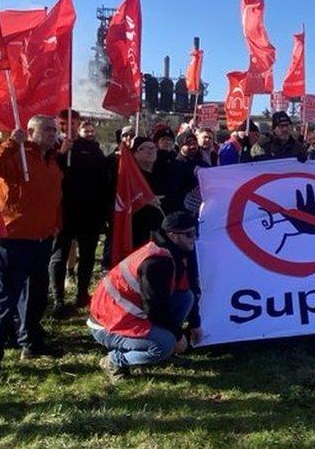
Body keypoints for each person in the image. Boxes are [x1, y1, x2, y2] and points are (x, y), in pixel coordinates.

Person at [0, 114, 66, 382]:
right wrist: (10, 145)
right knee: (4, 299)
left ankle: (31, 342)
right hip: (12, 239)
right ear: (29, 131)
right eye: (47, 129)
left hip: (42, 238)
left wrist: (55, 224)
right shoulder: (15, 155)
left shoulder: (51, 160)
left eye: (54, 130)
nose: (53, 134)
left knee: (36, 296)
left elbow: (52, 197)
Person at [89, 211, 201, 381]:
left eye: (195, 232)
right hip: (108, 324)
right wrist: (177, 336)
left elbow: (186, 289)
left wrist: (195, 324)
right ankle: (114, 360)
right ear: (173, 236)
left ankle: (166, 349)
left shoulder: (173, 254)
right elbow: (155, 306)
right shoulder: (156, 262)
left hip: (128, 315)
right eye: (189, 234)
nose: (195, 238)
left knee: (186, 298)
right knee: (162, 345)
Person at [49, 109, 108, 315]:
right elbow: (47, 174)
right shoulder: (51, 147)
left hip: (89, 212)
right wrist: (62, 154)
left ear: (78, 124)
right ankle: (58, 299)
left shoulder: (91, 148)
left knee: (88, 255)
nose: (69, 127)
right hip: (62, 211)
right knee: (59, 255)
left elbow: (103, 178)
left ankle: (82, 294)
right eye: (64, 123)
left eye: (73, 123)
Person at [130, 136, 166, 248]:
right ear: (135, 153)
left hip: (159, 227)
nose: (150, 150)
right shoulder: (131, 176)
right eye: (144, 148)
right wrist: (144, 200)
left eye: (152, 148)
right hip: (137, 229)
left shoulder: (161, 173)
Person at [162, 131, 208, 214]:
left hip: (202, 210)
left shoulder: (203, 164)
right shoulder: (175, 165)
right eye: (188, 144)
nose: (192, 146)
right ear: (180, 146)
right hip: (183, 210)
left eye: (194, 143)